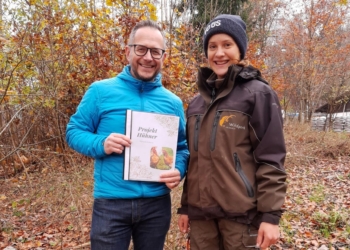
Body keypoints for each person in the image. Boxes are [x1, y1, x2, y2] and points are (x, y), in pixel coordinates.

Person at [66, 20, 189, 250]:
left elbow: (182, 147)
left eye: (155, 51)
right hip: (111, 204)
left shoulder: (172, 103)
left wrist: (179, 170)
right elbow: (73, 131)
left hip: (156, 205)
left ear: (164, 57)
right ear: (128, 51)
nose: (148, 57)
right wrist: (101, 143)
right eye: (141, 49)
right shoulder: (101, 91)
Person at [177, 14, 287, 250]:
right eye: (212, 46)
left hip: (241, 218)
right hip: (201, 219)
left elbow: (271, 159)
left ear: (240, 49)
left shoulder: (259, 94)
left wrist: (270, 216)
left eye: (227, 45)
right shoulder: (196, 103)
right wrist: (186, 207)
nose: (219, 53)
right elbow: (194, 161)